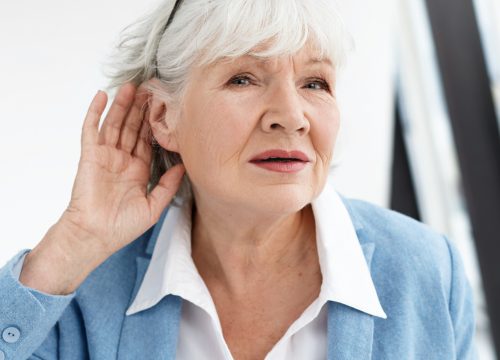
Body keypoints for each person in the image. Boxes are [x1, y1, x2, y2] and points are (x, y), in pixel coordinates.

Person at [0, 0, 477, 359]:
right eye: (244, 79)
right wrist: (72, 246)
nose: (292, 118)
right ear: (163, 117)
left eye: (315, 83)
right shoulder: (84, 284)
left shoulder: (428, 271)